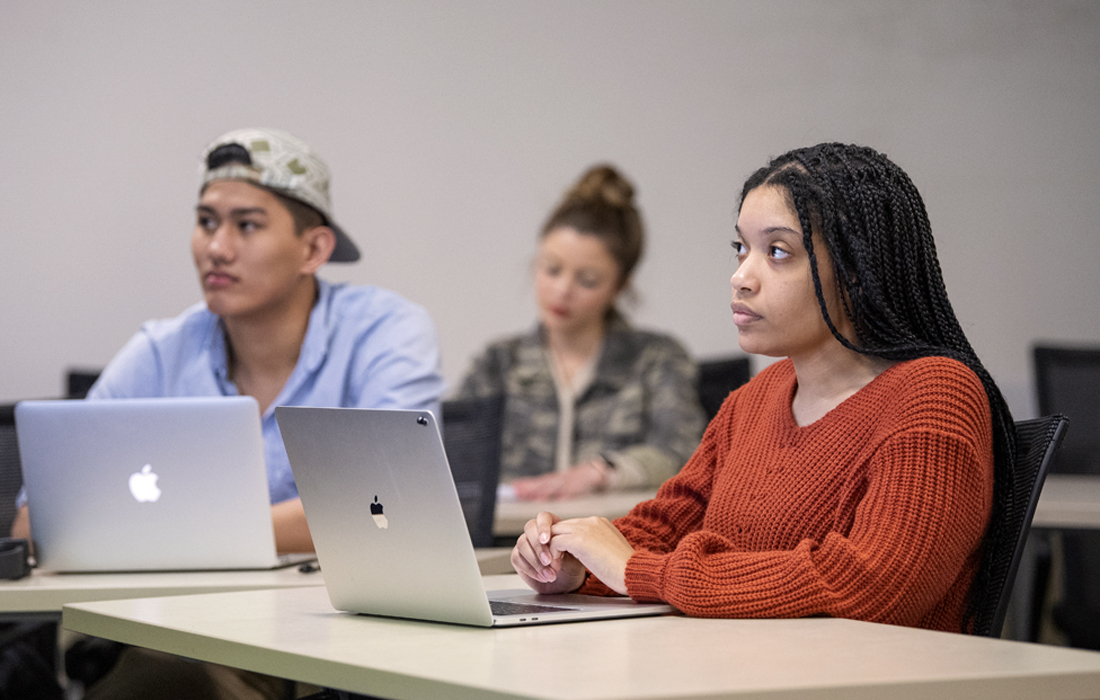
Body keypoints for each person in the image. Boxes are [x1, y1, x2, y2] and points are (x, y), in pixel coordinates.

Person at [512, 143, 1017, 635]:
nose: (740, 277)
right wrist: (576, 558)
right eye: (740, 248)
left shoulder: (935, 394)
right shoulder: (754, 399)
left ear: (857, 273)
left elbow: (876, 583)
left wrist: (635, 572)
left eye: (778, 252)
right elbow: (667, 527)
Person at [12, 127, 446, 555]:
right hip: (176, 612)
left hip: (332, 612)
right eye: (206, 222)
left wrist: (163, 533)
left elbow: (389, 502)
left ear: (313, 250)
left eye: (248, 225)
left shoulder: (385, 332)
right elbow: (37, 520)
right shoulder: (162, 350)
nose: (217, 247)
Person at [456, 164, 706, 501]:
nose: (562, 291)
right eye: (552, 269)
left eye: (587, 280)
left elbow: (684, 450)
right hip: (512, 542)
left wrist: (604, 472)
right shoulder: (498, 363)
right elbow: (449, 460)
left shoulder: (655, 359)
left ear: (620, 286)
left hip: (618, 540)